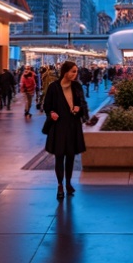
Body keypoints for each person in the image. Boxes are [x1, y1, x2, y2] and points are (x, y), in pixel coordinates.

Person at [44, 60, 88, 199]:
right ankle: (60, 185)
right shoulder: (54, 87)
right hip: (59, 126)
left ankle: (68, 183)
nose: (75, 74)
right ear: (65, 72)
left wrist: (79, 108)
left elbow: (83, 104)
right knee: (59, 157)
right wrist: (51, 113)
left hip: (73, 125)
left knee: (70, 156)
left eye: (76, 72)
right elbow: (47, 105)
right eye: (73, 71)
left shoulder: (77, 87)